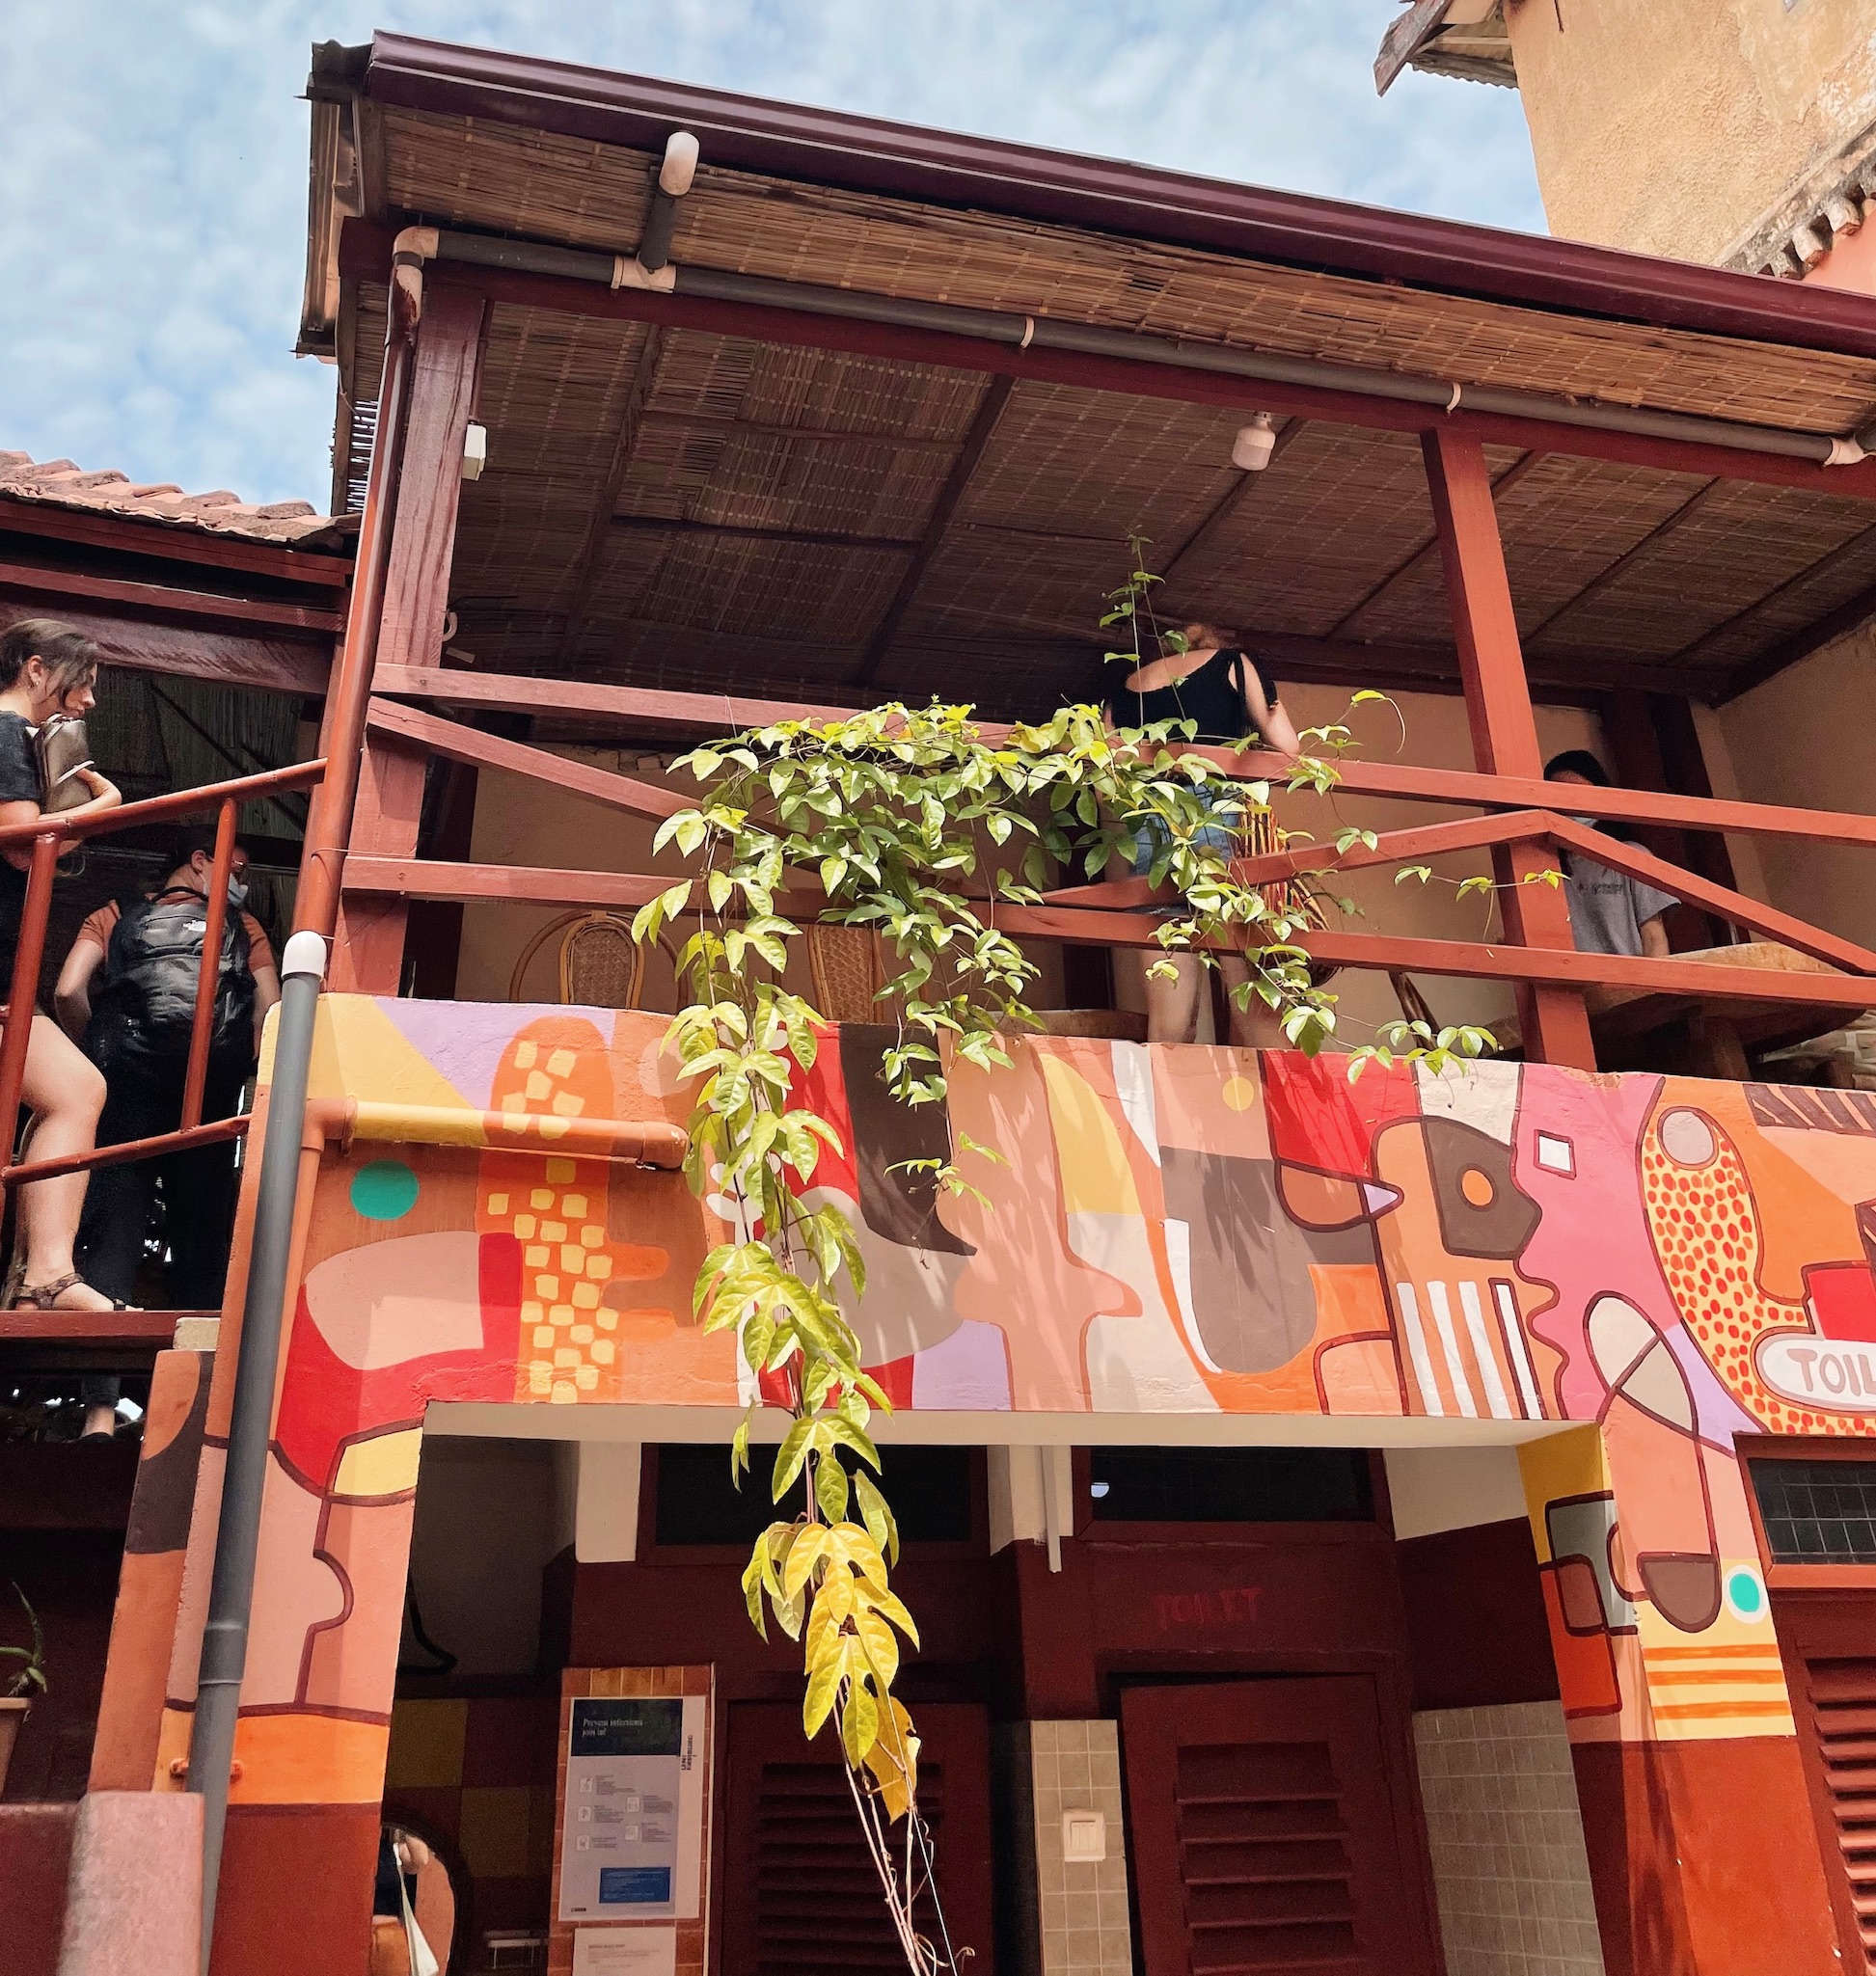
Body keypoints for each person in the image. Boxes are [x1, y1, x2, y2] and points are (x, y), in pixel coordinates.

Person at [56, 829, 278, 1371]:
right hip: (208, 1097)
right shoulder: (244, 926)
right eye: (238, 871)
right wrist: (236, 1066)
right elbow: (271, 1010)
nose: (242, 885)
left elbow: (67, 990)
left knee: (114, 1220)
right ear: (201, 860)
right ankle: (202, 1376)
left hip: (127, 1088)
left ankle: (99, 1399)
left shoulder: (113, 914)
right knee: (203, 1226)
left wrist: (98, 1056)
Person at [0, 619, 122, 1322]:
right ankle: (43, 1277)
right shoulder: (7, 732)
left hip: (7, 976)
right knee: (76, 1092)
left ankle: (43, 1277)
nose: (90, 701)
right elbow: (22, 842)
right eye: (84, 682)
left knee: (75, 1090)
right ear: (38, 668)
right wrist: (103, 806)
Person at [1104, 622, 1303, 1045]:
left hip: (1152, 833)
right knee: (1254, 998)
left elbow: (1110, 781)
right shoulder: (1234, 664)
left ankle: (1169, 1085)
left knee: (1170, 1020)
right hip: (1221, 819)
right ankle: (1279, 1086)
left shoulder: (1123, 688)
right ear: (1213, 644)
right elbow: (1289, 749)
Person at [1544, 749, 1676, 959]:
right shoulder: (1545, 870)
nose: (1569, 806)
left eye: (1578, 794)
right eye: (1559, 797)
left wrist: (1654, 979)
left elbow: (1654, 937)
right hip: (1573, 979)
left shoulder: (1633, 856)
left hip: (1631, 977)